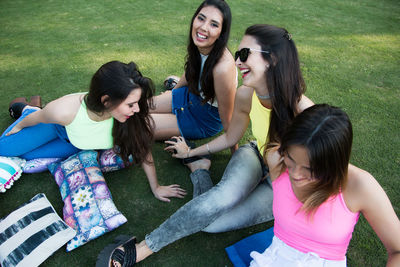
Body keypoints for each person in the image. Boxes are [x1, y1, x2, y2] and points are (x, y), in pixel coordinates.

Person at [96, 24, 313, 266]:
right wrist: (192, 151)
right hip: (254, 155)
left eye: (244, 54)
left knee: (212, 224)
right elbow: (231, 137)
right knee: (218, 200)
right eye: (237, 54)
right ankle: (143, 248)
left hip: (281, 185)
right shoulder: (246, 94)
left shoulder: (305, 112)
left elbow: (320, 174)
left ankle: (200, 171)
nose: (237, 62)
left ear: (272, 58)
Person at [0, 60, 186, 202]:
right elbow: (40, 119)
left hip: (74, 144)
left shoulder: (129, 117)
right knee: (5, 150)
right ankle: (28, 108)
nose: (137, 109)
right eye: (130, 104)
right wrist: (20, 125)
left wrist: (156, 187)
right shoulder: (64, 110)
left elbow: (143, 149)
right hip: (53, 127)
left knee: (26, 158)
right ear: (106, 101)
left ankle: (29, 108)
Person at [248, 104, 400, 266]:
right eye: (291, 161)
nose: (295, 174)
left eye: (310, 170)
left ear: (334, 165)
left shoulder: (359, 185)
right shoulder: (276, 160)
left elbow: (397, 249)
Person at [149, 0, 237, 154]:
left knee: (140, 125)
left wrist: (235, 153)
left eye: (214, 24)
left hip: (204, 119)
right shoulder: (200, 44)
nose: (203, 27)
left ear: (221, 34)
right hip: (190, 95)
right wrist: (173, 93)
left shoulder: (223, 69)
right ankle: (173, 89)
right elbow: (191, 71)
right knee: (136, 108)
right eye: (201, 18)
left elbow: (227, 116)